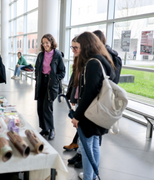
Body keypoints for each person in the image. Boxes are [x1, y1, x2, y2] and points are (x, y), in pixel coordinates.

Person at [71, 32, 115, 180]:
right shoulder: (103, 60)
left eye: (78, 46)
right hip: (98, 111)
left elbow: (89, 93)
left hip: (90, 113)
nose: (75, 49)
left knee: (86, 147)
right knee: (94, 143)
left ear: (86, 45)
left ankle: (89, 177)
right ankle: (94, 175)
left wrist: (77, 116)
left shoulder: (93, 63)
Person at [34, 34, 65, 140]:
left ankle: (51, 129)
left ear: (51, 42)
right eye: (43, 43)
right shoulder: (41, 55)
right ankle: (45, 128)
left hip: (52, 83)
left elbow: (62, 71)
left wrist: (55, 78)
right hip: (41, 81)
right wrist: (37, 78)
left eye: (47, 42)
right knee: (40, 107)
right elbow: (36, 68)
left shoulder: (57, 54)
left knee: (47, 107)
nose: (45, 45)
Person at [64, 36, 83, 169]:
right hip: (78, 99)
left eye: (75, 47)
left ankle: (82, 157)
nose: (73, 50)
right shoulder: (78, 60)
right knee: (81, 132)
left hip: (85, 103)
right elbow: (74, 81)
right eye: (72, 47)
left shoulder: (90, 63)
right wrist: (72, 98)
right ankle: (79, 152)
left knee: (86, 136)